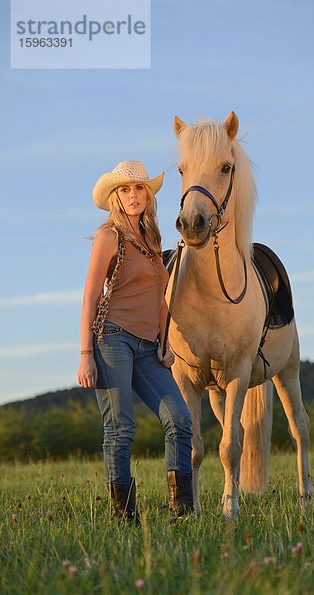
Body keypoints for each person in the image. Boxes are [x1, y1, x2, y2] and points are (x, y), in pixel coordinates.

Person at [77, 160, 193, 524]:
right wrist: (85, 354)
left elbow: (161, 297)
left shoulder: (153, 239)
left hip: (148, 346)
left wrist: (164, 342)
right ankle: (124, 517)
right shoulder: (108, 236)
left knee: (180, 419)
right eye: (124, 190)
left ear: (148, 195)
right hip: (111, 339)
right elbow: (90, 298)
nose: (132, 195)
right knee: (121, 428)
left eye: (138, 188)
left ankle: (182, 513)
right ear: (115, 196)